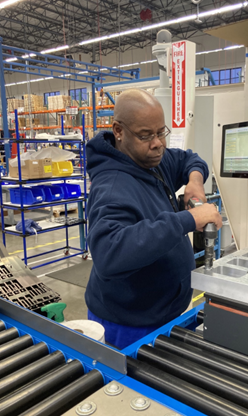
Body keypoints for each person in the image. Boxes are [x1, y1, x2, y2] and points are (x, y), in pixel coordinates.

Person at [85, 89, 222, 349]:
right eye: (146, 135)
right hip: (128, 325)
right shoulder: (112, 187)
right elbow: (109, 254)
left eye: (161, 132)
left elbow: (189, 159)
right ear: (118, 131)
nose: (158, 143)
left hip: (163, 314)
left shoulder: (152, 160)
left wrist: (194, 181)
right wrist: (188, 219)